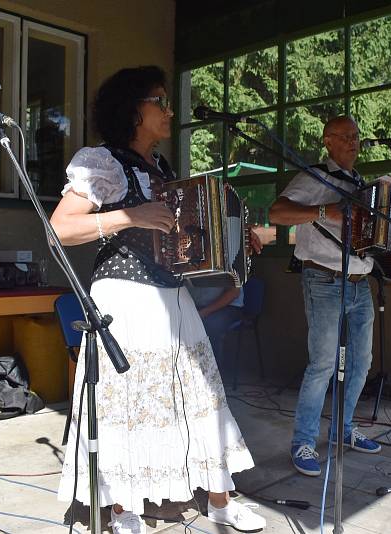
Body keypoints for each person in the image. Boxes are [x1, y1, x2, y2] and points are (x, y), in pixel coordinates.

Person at [50, 66, 265, 534]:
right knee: (130, 403)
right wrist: (129, 216)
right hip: (125, 296)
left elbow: (182, 241)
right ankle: (125, 509)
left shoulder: (163, 170)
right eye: (160, 101)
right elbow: (61, 229)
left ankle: (222, 501)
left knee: (202, 394)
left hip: (171, 294)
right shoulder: (102, 161)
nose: (169, 111)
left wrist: (232, 242)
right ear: (133, 109)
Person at [268, 115, 381, 477]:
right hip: (324, 281)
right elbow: (277, 212)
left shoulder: (362, 184)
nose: (353, 142)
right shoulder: (315, 178)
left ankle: (343, 430)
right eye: (345, 136)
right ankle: (303, 441)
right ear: (328, 141)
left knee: (362, 362)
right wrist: (323, 210)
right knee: (323, 365)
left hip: (360, 283)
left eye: (356, 136)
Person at [187, 284, 244, 363]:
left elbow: (234, 292)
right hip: (197, 304)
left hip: (228, 305)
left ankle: (213, 370)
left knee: (210, 325)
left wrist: (203, 313)